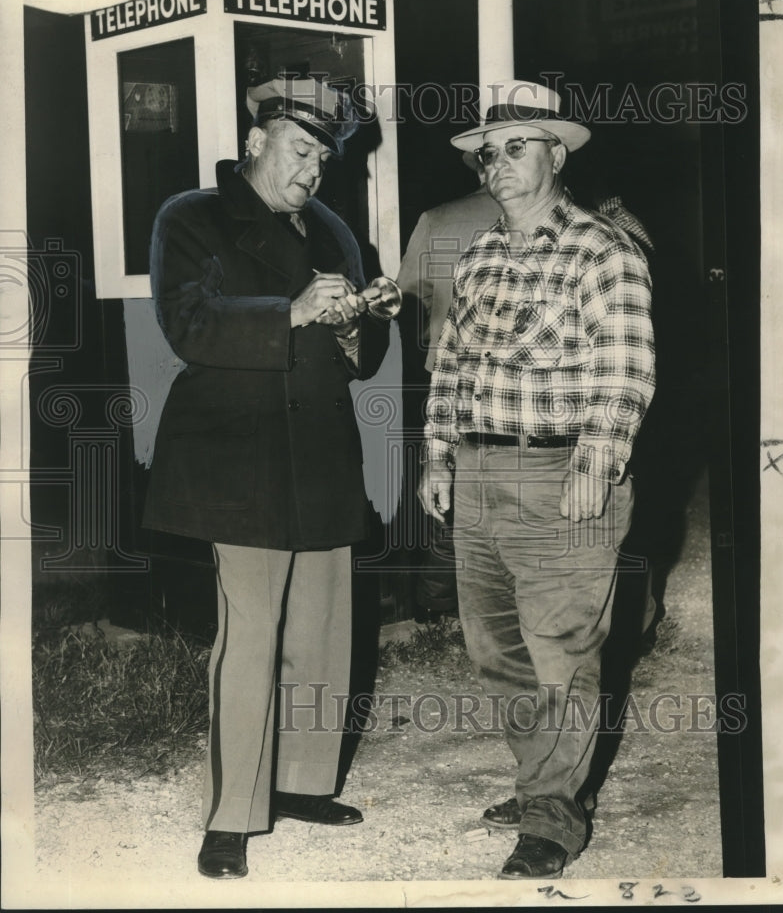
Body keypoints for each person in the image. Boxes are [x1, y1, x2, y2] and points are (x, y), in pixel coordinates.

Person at [142, 77, 396, 879]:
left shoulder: (333, 231)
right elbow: (187, 324)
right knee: (248, 638)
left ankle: (302, 785)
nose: (314, 169)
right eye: (300, 148)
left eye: (324, 155)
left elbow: (364, 362)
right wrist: (288, 313)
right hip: (235, 457)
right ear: (256, 141)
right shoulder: (189, 216)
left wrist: (364, 322)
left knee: (323, 631)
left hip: (320, 452)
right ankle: (231, 815)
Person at [419, 79, 656, 879]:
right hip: (482, 471)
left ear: (556, 153)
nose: (498, 164)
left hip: (562, 473)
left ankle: (554, 819)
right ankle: (540, 784)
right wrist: (436, 453)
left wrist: (597, 457)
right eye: (489, 152)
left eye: (518, 146)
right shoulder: (480, 253)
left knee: (562, 651)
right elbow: (451, 362)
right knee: (499, 652)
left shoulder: (602, 248)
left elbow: (625, 369)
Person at [397, 155, 501, 614]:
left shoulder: (437, 219)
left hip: (447, 379)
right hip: (532, 389)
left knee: (448, 499)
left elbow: (406, 298)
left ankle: (436, 610)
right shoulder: (558, 217)